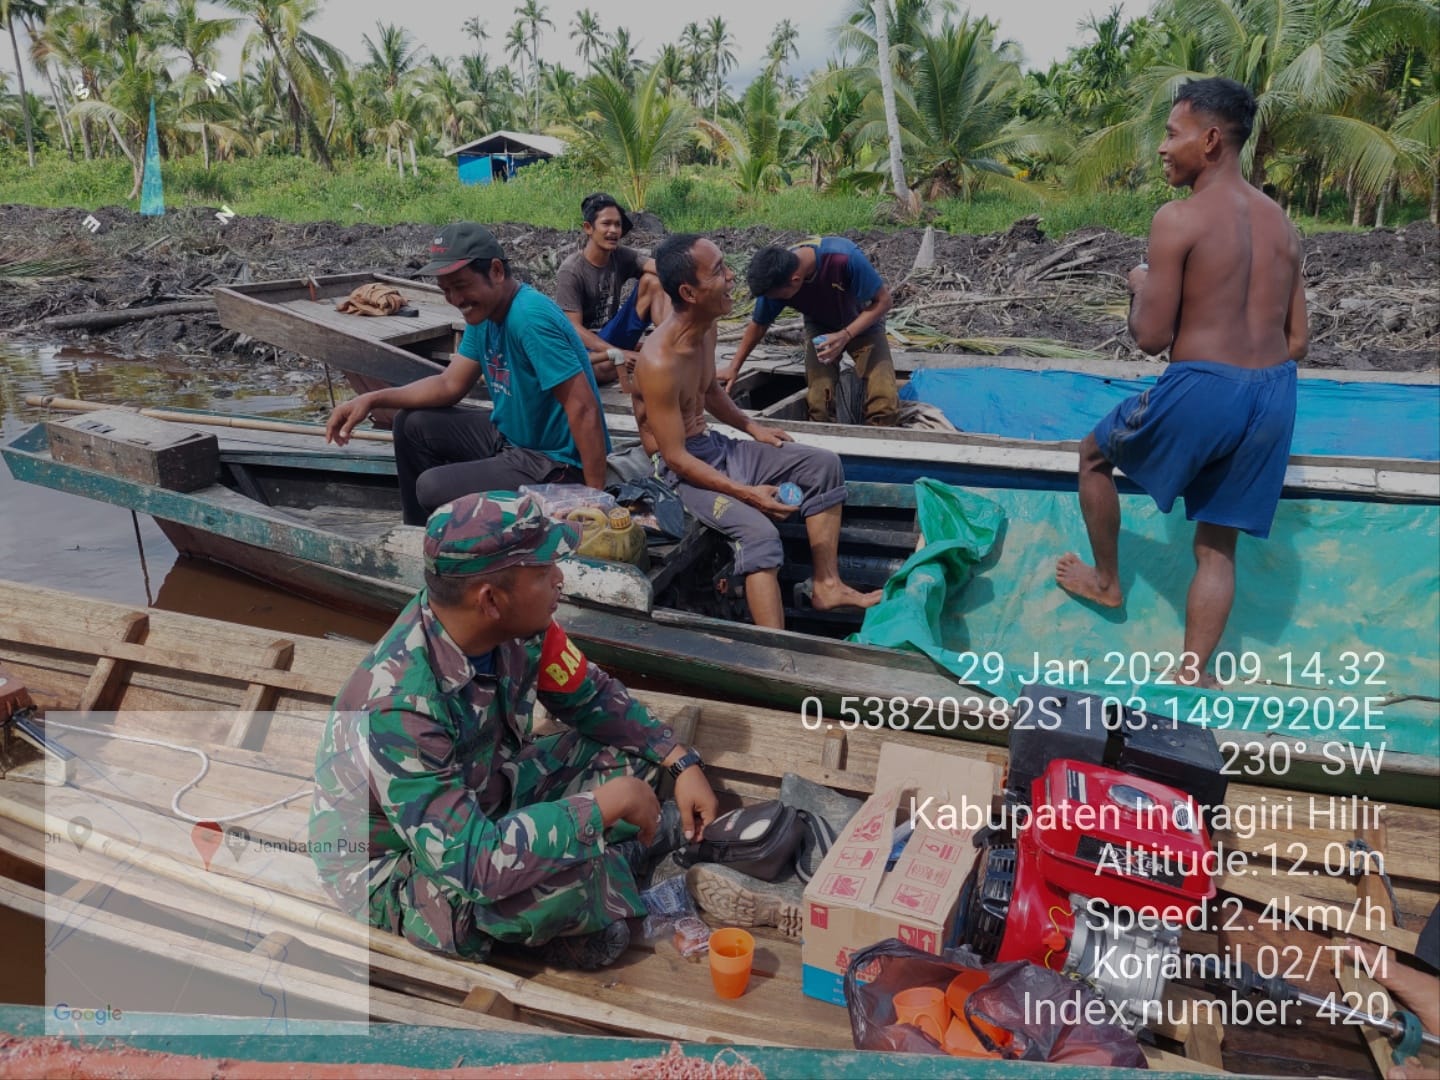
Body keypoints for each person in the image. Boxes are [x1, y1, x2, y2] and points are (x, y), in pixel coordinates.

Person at [309, 491, 719, 970]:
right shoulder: (400, 707)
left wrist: (679, 759)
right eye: (545, 572)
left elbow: (593, 697)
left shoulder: (523, 629)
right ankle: (603, 876)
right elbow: (472, 865)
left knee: (632, 760)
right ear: (491, 600)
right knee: (558, 889)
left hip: (483, 791)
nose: (560, 580)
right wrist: (604, 807)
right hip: (399, 865)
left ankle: (609, 867)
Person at [1055, 77, 1308, 689]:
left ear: (1212, 139)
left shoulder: (1178, 219)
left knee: (1093, 454)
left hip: (1205, 385)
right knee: (1217, 544)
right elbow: (1298, 340)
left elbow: (1149, 337)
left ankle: (1108, 582)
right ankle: (1194, 672)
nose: (1163, 149)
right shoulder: (1283, 225)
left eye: (1173, 135)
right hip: (1274, 392)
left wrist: (1140, 284)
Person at [632, 233, 883, 630]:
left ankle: (827, 585)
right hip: (681, 475)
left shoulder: (707, 329)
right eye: (718, 271)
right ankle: (776, 656)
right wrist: (748, 494)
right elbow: (676, 457)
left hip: (716, 448)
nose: (732, 277)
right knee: (760, 533)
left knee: (822, 465)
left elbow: (710, 390)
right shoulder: (658, 362)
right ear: (689, 291)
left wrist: (753, 427)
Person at [325, 223, 611, 526]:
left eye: (461, 286)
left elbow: (584, 408)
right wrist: (372, 399)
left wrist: (593, 501)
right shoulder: (483, 315)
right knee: (411, 423)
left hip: (556, 463)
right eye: (445, 290)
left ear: (497, 271)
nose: (455, 299)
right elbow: (450, 384)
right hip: (512, 438)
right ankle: (420, 534)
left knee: (432, 487)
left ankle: (460, 541)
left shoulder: (529, 318)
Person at [719, 237, 899, 427]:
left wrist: (845, 335)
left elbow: (884, 301)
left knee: (884, 400)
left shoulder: (844, 259)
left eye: (778, 297)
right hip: (821, 325)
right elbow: (758, 325)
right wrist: (734, 367)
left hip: (864, 322)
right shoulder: (776, 279)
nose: (774, 301)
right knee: (819, 401)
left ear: (796, 281)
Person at [554, 192, 672, 386]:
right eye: (606, 224)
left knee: (653, 280)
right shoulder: (571, 270)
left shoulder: (620, 256)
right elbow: (573, 328)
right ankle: (633, 359)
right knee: (597, 370)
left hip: (611, 335)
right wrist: (617, 353)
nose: (614, 230)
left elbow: (660, 269)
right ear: (588, 228)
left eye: (617, 224)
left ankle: (671, 346)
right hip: (587, 350)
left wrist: (695, 278)